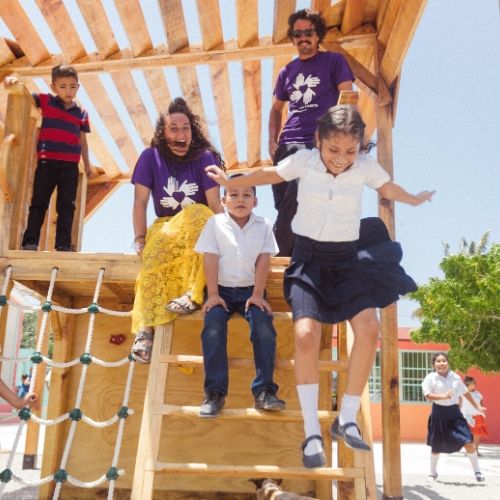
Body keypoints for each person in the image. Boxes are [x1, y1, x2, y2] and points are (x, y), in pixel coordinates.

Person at [206, 105, 434, 468]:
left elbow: (385, 185)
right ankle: (312, 431)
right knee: (306, 335)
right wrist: (230, 183)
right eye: (333, 150)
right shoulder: (304, 162)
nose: (342, 159)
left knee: (370, 329)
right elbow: (269, 174)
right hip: (309, 260)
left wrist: (413, 198)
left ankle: (346, 419)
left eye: (350, 151)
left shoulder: (363, 166)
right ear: (318, 142)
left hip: (347, 262)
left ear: (359, 148)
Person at [130, 97, 224, 364]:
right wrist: (139, 238)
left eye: (186, 128)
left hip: (200, 230)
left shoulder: (205, 157)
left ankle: (192, 295)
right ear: (163, 132)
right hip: (166, 227)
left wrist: (230, 240)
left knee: (198, 211)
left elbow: (215, 204)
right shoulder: (150, 157)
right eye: (174, 128)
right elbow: (140, 201)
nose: (181, 134)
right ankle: (145, 332)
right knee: (152, 258)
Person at [194, 176, 285, 417]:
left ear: (255, 201)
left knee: (264, 327)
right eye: (234, 195)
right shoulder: (215, 224)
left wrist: (257, 294)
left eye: (247, 195)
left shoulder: (263, 225)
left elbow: (264, 259)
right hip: (220, 290)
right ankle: (214, 393)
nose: (240, 200)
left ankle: (264, 392)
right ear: (224, 200)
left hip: (250, 291)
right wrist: (212, 295)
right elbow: (210, 258)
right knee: (213, 328)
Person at [268, 8, 354, 256]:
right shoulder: (286, 71)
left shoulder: (334, 62)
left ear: (318, 35)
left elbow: (347, 98)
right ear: (293, 38)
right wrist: (272, 142)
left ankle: (281, 255)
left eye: (308, 32)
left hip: (315, 143)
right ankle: (299, 257)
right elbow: (276, 109)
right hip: (287, 144)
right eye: (297, 34)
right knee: (287, 204)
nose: (303, 38)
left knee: (304, 194)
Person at [4, 65, 92, 251]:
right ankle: (30, 241)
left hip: (70, 166)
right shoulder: (45, 101)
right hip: (47, 163)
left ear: (78, 86)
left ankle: (63, 245)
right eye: (63, 86)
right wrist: (11, 81)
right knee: (39, 202)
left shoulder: (82, 114)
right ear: (53, 87)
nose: (68, 91)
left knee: (67, 206)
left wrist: (88, 164)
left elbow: (82, 141)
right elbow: (27, 96)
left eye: (72, 86)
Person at [422, 353, 486, 482]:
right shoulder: (430, 378)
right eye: (438, 361)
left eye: (444, 361)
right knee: (436, 446)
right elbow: (428, 395)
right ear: (434, 364)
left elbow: (465, 393)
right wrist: (443, 396)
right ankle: (432, 473)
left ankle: (477, 472)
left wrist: (477, 407)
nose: (441, 363)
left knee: (468, 441)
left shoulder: (455, 377)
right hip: (438, 413)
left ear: (448, 362)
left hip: (454, 413)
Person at [461, 376, 489, 456]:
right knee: (467, 434)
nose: (474, 385)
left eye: (474, 383)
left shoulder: (478, 394)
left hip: (477, 416)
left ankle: (476, 449)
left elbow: (481, 404)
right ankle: (468, 450)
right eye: (472, 383)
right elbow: (459, 404)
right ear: (467, 385)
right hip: (466, 416)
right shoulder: (463, 394)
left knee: (477, 434)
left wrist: (482, 412)